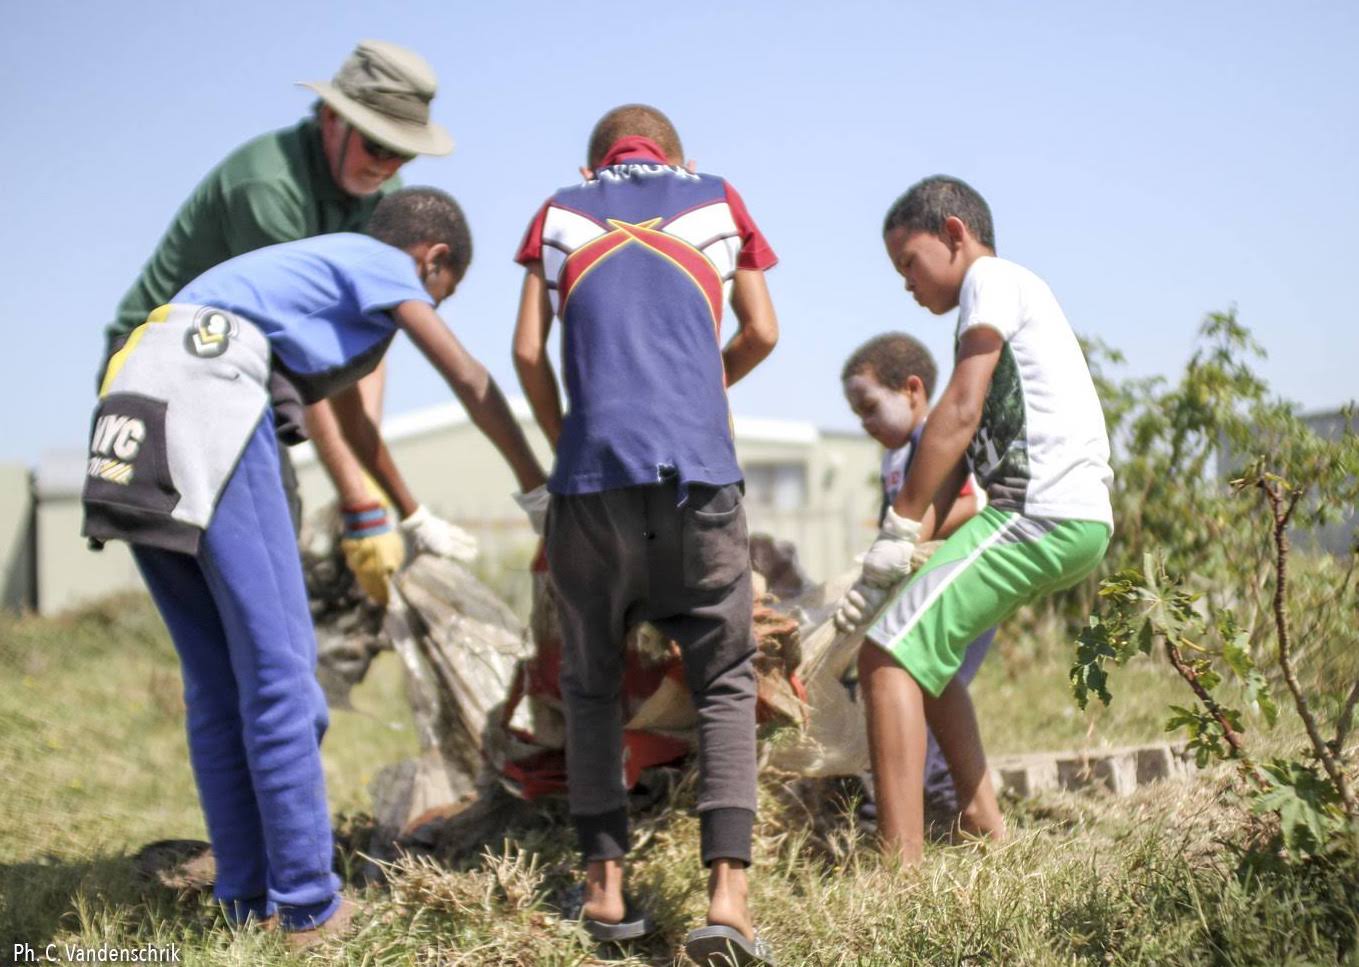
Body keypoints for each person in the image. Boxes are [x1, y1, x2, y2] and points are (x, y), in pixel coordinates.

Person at [83, 187, 549, 946]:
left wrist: (408, 511)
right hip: (211, 390)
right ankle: (307, 906)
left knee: (217, 680)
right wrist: (539, 488)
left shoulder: (313, 272)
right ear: (433, 260)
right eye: (445, 290)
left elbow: (356, 420)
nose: (434, 303)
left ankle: (243, 897)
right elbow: (468, 377)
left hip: (134, 396)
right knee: (281, 672)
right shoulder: (383, 264)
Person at [512, 104, 779, 966]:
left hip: (590, 481)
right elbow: (765, 330)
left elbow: (524, 353)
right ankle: (728, 903)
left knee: (591, 687)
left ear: (595, 162)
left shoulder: (556, 211)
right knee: (725, 680)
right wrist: (703, 389)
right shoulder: (716, 199)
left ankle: (604, 890)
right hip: (696, 473)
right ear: (672, 154)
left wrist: (567, 447)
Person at [100, 40, 457, 604]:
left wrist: (363, 469)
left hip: (247, 369)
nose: (388, 166)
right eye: (377, 145)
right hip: (162, 364)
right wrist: (359, 498)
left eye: (403, 153)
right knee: (242, 561)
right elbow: (299, 351)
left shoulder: (383, 198)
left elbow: (359, 346)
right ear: (333, 117)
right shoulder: (269, 189)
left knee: (268, 552)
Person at [835, 175, 1113, 864]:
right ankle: (982, 821)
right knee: (926, 658)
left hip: (1039, 510)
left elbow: (954, 416)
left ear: (954, 234)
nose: (905, 283)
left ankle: (899, 875)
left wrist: (899, 525)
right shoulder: (1004, 297)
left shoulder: (989, 281)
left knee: (886, 656)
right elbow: (961, 463)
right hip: (1056, 514)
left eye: (909, 262)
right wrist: (895, 553)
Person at [837, 332, 998, 826]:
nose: (864, 423)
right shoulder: (895, 458)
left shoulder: (938, 444)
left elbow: (977, 503)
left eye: (869, 407)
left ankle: (941, 815)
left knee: (926, 693)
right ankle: (942, 815)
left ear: (911, 390)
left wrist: (907, 535)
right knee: (919, 694)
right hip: (919, 593)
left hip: (958, 587)